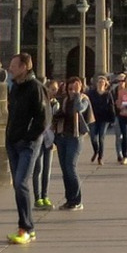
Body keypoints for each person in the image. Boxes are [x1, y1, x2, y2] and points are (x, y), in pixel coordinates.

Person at [4, 53, 45, 245]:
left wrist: (28, 137)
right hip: (13, 142)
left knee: (21, 183)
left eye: (13, 66)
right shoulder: (15, 88)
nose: (10, 68)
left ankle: (26, 228)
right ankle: (28, 228)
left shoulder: (36, 88)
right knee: (18, 185)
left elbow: (43, 118)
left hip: (27, 144)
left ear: (24, 67)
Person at [50, 77, 89, 210]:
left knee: (70, 167)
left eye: (74, 88)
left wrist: (77, 94)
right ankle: (69, 199)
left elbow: (79, 109)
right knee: (65, 170)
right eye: (70, 88)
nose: (72, 91)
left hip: (75, 137)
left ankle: (77, 200)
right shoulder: (65, 100)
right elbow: (60, 114)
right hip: (62, 137)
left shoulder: (83, 99)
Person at [33, 79, 60, 210]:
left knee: (47, 169)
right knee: (38, 168)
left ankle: (45, 196)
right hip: (39, 138)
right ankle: (37, 198)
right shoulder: (40, 102)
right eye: (52, 89)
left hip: (50, 139)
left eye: (56, 89)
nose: (54, 92)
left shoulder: (56, 104)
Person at [87, 75, 115, 166]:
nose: (101, 84)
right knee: (93, 137)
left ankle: (100, 157)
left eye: (102, 82)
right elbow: (87, 104)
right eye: (99, 82)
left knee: (101, 138)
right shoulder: (91, 93)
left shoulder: (108, 94)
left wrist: (112, 118)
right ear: (96, 83)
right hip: (93, 118)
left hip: (104, 118)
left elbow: (111, 106)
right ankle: (96, 150)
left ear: (105, 84)